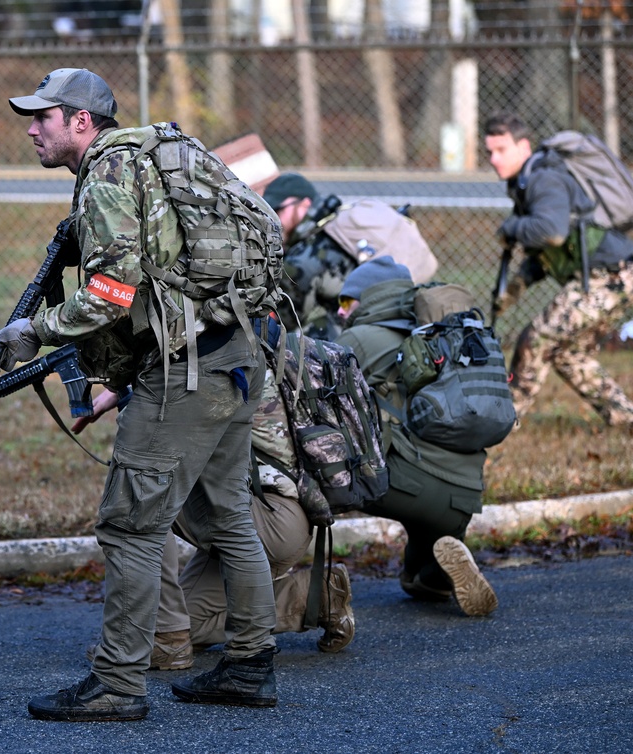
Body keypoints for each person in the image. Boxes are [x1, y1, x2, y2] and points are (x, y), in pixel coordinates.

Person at [0, 68, 278, 721]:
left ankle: (118, 683)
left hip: (186, 373)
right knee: (231, 512)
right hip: (237, 353)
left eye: (44, 117)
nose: (32, 128)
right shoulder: (155, 157)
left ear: (82, 123)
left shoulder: (108, 176)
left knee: (129, 527)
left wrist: (33, 330)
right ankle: (249, 665)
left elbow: (110, 294)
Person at [73, 357, 356, 671]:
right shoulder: (239, 349)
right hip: (282, 514)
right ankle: (314, 598)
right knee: (190, 622)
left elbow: (151, 454)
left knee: (137, 493)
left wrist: (127, 388)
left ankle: (168, 638)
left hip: (267, 515)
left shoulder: (201, 366)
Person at [333, 256, 498, 617]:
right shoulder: (442, 336)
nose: (341, 311)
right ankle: (436, 573)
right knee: (421, 577)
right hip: (464, 495)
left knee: (318, 467)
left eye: (346, 302)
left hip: (404, 486)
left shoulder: (357, 337)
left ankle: (291, 578)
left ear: (370, 300)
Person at [483, 111, 633, 434]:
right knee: (567, 354)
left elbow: (551, 231)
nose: (493, 159)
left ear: (523, 146)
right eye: (489, 152)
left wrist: (511, 227)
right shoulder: (527, 182)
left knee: (536, 338)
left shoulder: (544, 179)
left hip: (612, 277)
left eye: (501, 150)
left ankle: (502, 423)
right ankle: (629, 423)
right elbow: (551, 251)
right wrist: (517, 285)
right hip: (613, 276)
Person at [262, 172, 437, 340]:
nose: (271, 219)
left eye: (277, 210)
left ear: (304, 205)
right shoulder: (338, 222)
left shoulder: (304, 258)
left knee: (294, 343)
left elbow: (280, 322)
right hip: (408, 306)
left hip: (371, 324)